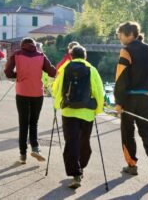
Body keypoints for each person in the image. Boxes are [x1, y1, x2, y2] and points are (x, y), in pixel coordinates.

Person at [114, 21, 148, 180]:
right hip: (146, 98)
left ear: (130, 34)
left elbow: (120, 79)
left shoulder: (126, 51)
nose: (120, 39)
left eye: (121, 35)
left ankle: (132, 166)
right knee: (147, 130)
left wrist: (118, 102)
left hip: (129, 99)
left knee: (127, 132)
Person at [52, 45, 104, 189]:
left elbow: (56, 88)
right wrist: (97, 110)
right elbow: (99, 91)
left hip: (69, 112)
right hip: (87, 113)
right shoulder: (92, 70)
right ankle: (81, 167)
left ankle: (75, 174)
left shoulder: (65, 69)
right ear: (85, 56)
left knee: (71, 141)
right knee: (84, 141)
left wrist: (57, 105)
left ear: (71, 55)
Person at [4, 37, 56, 164]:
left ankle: (23, 155)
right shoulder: (41, 56)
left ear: (22, 45)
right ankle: (36, 148)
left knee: (23, 124)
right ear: (34, 45)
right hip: (37, 93)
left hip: (22, 92)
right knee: (34, 123)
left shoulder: (17, 54)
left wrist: (18, 75)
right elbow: (52, 72)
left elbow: (7, 72)